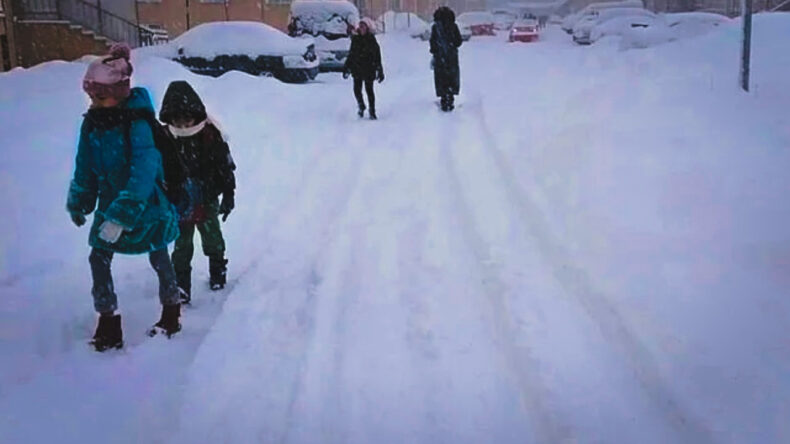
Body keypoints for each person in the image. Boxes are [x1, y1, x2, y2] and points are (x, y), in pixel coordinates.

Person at [68, 44, 182, 352]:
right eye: (91, 96)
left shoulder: (138, 123)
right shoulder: (93, 122)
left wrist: (123, 214)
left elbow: (144, 171)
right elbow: (85, 165)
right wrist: (80, 198)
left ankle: (171, 312)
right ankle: (108, 321)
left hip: (145, 206)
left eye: (100, 96)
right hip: (111, 203)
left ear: (119, 92)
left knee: (159, 255)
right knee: (98, 257)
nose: (94, 101)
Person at [158, 81, 236, 302]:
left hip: (207, 197)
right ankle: (181, 285)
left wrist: (229, 194)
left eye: (187, 119)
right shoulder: (164, 137)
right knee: (181, 244)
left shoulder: (210, 136)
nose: (183, 125)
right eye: (177, 120)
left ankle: (217, 272)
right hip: (178, 200)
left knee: (212, 237)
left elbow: (225, 167)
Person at [343, 18, 384, 120]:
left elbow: (377, 56)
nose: (361, 28)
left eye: (363, 26)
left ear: (367, 28)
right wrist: (346, 67)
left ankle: (372, 111)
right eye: (360, 26)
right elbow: (351, 54)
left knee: (369, 90)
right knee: (357, 90)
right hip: (357, 68)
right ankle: (361, 106)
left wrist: (379, 70)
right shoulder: (356, 40)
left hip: (369, 68)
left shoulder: (371, 40)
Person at [430, 6, 463, 112]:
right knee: (451, 78)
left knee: (441, 78)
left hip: (440, 58)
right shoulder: (453, 26)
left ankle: (444, 98)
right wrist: (451, 45)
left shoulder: (436, 28)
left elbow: (433, 42)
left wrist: (435, 51)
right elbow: (459, 41)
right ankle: (450, 97)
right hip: (452, 57)